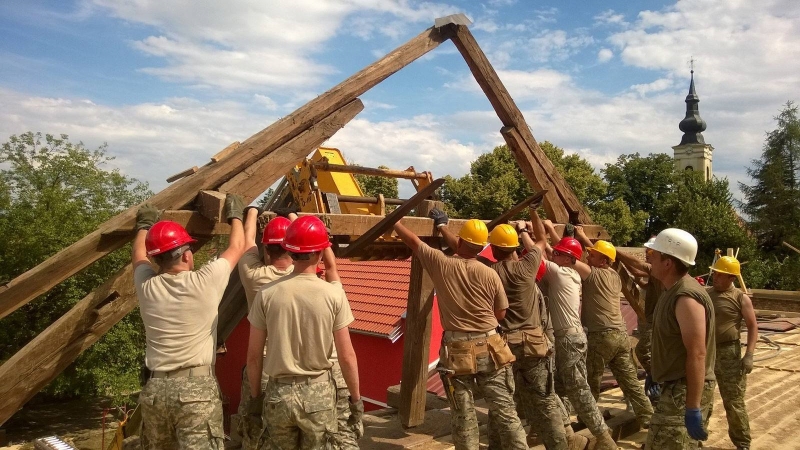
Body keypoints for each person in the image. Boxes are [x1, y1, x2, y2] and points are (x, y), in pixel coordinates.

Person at [395, 214, 527, 450]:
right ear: (482, 245)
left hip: (457, 352)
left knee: (463, 415)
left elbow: (414, 242)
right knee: (506, 412)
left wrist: (392, 221)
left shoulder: (442, 263)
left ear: (461, 241)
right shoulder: (490, 273)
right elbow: (501, 314)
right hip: (491, 346)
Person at [132, 194, 247, 449]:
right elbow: (237, 246)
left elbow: (139, 256)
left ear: (157, 259)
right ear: (185, 256)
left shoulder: (147, 286)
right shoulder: (204, 282)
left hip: (156, 391)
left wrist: (143, 226)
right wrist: (235, 215)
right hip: (195, 391)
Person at [246, 216, 362, 449]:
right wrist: (356, 401)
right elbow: (347, 356)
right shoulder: (333, 295)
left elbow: (254, 356)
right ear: (320, 252)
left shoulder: (266, 294)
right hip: (318, 395)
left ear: (289, 250)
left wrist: (256, 399)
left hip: (278, 394)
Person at [482, 209, 574, 450]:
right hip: (535, 344)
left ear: (493, 250)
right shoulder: (528, 266)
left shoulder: (491, 272)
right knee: (546, 402)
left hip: (506, 348)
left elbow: (466, 256)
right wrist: (526, 225)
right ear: (515, 247)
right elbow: (542, 240)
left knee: (503, 404)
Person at [541, 220, 617, 450]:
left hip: (568, 340)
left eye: (559, 253)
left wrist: (529, 228)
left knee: (579, 391)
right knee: (559, 389)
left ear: (568, 259)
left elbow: (539, 249)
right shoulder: (575, 273)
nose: (554, 255)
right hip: (572, 339)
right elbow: (550, 249)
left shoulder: (560, 273)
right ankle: (567, 435)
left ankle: (605, 440)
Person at [572, 226, 653, 429]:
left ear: (604, 261)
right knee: (631, 382)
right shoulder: (614, 276)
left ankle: (587, 420)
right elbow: (601, 255)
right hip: (620, 335)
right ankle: (648, 419)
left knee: (592, 380)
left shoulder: (592, 274)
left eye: (592, 256)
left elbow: (568, 258)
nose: (588, 257)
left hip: (602, 336)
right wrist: (582, 237)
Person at [645, 228, 716, 450]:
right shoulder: (671, 290)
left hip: (684, 390)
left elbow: (697, 353)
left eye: (654, 256)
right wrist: (655, 372)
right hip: (674, 386)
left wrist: (693, 407)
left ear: (668, 263)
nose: (650, 260)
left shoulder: (685, 297)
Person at [237, 208, 295, 449]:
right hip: (292, 372)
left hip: (260, 369)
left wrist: (252, 212)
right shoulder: (304, 276)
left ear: (266, 250)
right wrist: (292, 215)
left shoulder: (253, 276)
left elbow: (246, 241)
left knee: (254, 431)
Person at [708, 256, 757, 450]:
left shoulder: (740, 298)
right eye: (715, 273)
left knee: (734, 401)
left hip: (730, 353)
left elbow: (753, 326)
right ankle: (695, 439)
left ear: (731, 278)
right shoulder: (706, 295)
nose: (716, 278)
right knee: (702, 398)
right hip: (708, 351)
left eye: (721, 275)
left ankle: (742, 442)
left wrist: (749, 355)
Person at [615, 237, 665, 402]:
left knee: (643, 351)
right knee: (650, 353)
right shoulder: (656, 271)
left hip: (658, 320)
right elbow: (641, 278)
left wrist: (614, 252)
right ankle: (656, 384)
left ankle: (659, 382)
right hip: (652, 317)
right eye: (646, 252)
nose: (646, 254)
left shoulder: (659, 269)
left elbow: (638, 267)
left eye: (650, 252)